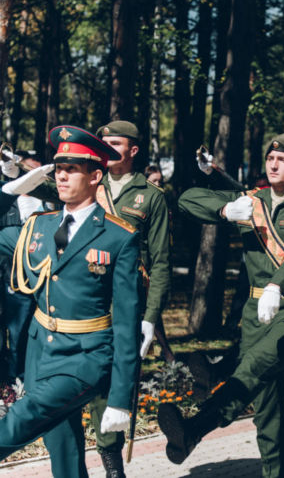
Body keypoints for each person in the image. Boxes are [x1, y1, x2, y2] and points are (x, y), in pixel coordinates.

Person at [157, 133, 284, 477]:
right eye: (271, 157)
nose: (274, 163)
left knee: (253, 369)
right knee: (267, 397)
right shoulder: (253, 200)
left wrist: (278, 284)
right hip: (256, 314)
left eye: (283, 160)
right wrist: (223, 210)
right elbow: (187, 200)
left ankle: (195, 429)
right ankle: (283, 465)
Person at [0, 125, 141, 478]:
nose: (61, 175)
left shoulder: (118, 237)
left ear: (95, 176)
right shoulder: (37, 227)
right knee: (61, 446)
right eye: (59, 167)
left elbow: (126, 323)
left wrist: (121, 397)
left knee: (22, 417)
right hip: (40, 353)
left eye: (72, 169)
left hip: (85, 356)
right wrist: (5, 193)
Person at [90, 120, 173, 475]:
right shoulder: (88, 182)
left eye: (116, 143)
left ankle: (111, 461)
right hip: (85, 297)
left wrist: (150, 318)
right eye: (103, 142)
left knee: (116, 379)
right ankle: (106, 457)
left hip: (126, 302)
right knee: (92, 377)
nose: (107, 148)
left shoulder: (150, 197)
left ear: (133, 150)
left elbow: (161, 263)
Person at [0, 150, 52, 383]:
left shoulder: (50, 199)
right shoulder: (10, 203)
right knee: (18, 329)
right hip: (16, 276)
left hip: (48, 276)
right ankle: (15, 378)